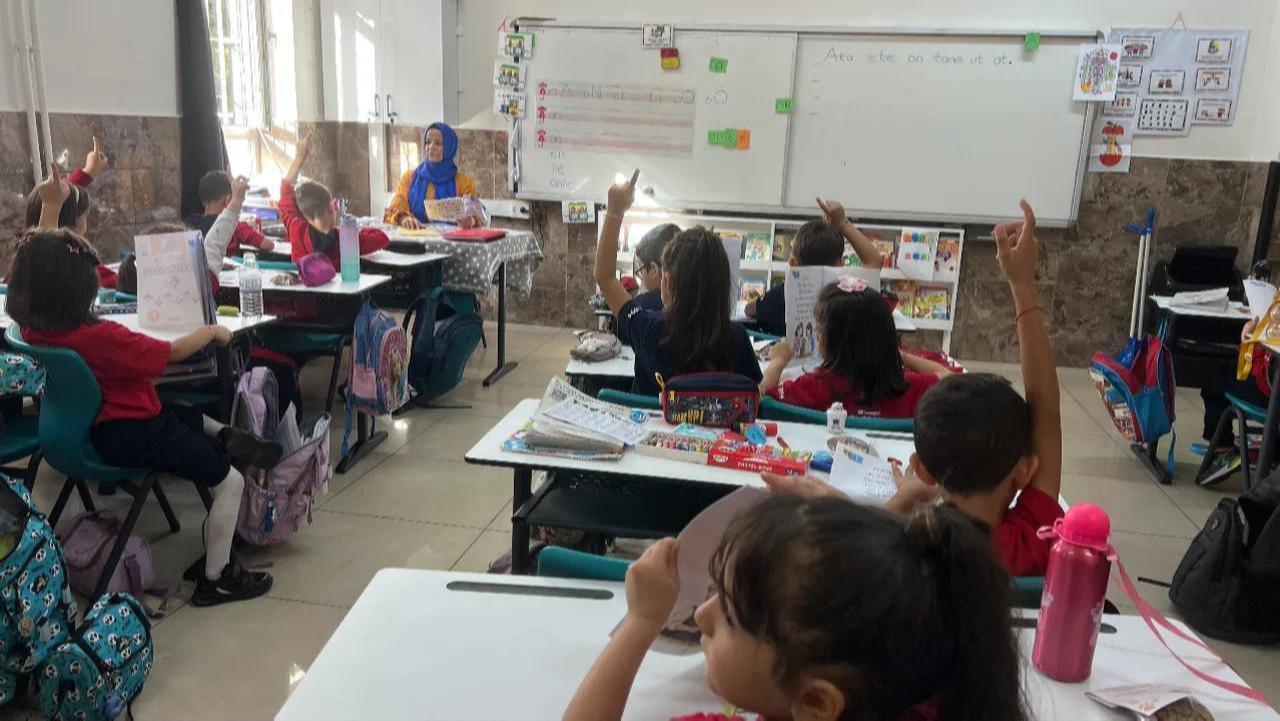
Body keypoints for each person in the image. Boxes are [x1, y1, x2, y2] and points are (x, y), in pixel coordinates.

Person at [764, 200, 1063, 577]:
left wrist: (899, 498)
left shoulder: (907, 545)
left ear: (921, 469)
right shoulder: (1031, 542)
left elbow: (860, 537)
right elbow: (1046, 411)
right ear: (1025, 470)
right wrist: (1024, 287)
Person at [564, 495, 1028, 721]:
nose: (702, 616)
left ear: (815, 702)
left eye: (730, 615)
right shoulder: (916, 689)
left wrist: (642, 621)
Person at [8, 221, 277, 605]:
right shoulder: (103, 339)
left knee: (178, 413)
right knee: (229, 481)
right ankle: (216, 578)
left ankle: (225, 436)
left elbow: (43, 265)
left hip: (78, 434)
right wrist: (212, 332)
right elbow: (172, 354)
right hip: (130, 435)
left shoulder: (31, 331)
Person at [594, 171, 762, 396]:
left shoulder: (648, 328)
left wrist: (615, 212)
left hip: (652, 429)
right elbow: (754, 394)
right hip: (719, 432)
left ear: (668, 281)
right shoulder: (737, 338)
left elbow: (604, 277)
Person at [760, 279, 955, 417]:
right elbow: (949, 378)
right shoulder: (909, 388)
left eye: (820, 330)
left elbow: (763, 398)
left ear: (833, 343)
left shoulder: (814, 387)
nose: (817, 336)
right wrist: (897, 354)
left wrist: (778, 362)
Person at [745, 198, 883, 337]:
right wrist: (843, 223)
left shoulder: (779, 294)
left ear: (792, 264)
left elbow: (749, 310)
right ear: (840, 265)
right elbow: (874, 262)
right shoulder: (848, 298)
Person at [280, 131, 389, 267]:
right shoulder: (344, 238)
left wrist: (300, 158)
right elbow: (382, 239)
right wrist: (357, 230)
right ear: (330, 209)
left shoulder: (296, 229)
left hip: (304, 287)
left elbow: (286, 192)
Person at [1196, 316, 1270, 485]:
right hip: (1271, 389)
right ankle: (1271, 451)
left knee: (1214, 381)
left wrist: (1249, 341)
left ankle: (1222, 450)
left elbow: (1267, 377)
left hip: (1270, 398)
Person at [25, 159, 116, 290]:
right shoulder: (84, 271)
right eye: (84, 215)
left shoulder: (22, 267)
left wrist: (87, 172)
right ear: (74, 223)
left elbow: (64, 201)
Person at [384, 122, 480, 229]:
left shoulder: (464, 183)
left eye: (438, 143)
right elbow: (395, 210)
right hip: (414, 242)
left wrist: (469, 222)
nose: (431, 147)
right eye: (428, 142)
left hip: (451, 243)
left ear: (449, 147)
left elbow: (474, 217)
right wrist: (404, 218)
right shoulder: (410, 178)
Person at [187, 170, 275, 256]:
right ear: (228, 200)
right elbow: (269, 245)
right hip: (224, 270)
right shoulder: (235, 227)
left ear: (203, 201)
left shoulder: (191, 222)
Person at [630, 223, 680, 312]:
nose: (641, 277)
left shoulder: (640, 307)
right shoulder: (692, 303)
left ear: (654, 269)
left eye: (641, 270)